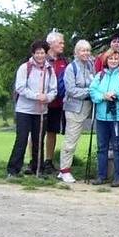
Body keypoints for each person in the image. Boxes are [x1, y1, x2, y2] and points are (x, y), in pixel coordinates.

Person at [6, 40, 57, 178]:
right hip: (24, 110)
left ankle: (37, 169)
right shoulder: (25, 68)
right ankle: (13, 169)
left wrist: (47, 97)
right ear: (33, 53)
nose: (40, 55)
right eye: (38, 53)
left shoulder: (49, 69)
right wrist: (36, 96)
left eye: (43, 53)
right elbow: (20, 87)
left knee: (38, 140)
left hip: (41, 111)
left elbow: (53, 89)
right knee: (21, 139)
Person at [88, 49, 119, 186]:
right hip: (102, 117)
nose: (113, 61)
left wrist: (116, 94)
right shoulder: (100, 75)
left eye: (116, 59)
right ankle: (101, 175)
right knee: (102, 147)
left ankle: (118, 177)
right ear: (106, 60)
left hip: (118, 117)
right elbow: (92, 91)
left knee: (118, 146)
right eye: (110, 58)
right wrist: (103, 96)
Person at [58, 40, 95, 183]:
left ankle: (64, 168)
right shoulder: (70, 68)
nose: (86, 53)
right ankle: (65, 170)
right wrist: (90, 91)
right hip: (74, 108)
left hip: (88, 106)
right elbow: (71, 90)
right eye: (83, 50)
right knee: (71, 139)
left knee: (73, 138)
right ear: (76, 52)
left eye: (88, 50)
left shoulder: (91, 65)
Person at [43, 30, 68, 175]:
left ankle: (48, 161)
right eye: (60, 42)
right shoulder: (42, 59)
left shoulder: (64, 61)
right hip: (43, 102)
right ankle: (34, 161)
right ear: (51, 44)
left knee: (52, 131)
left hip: (58, 104)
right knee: (36, 132)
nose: (63, 45)